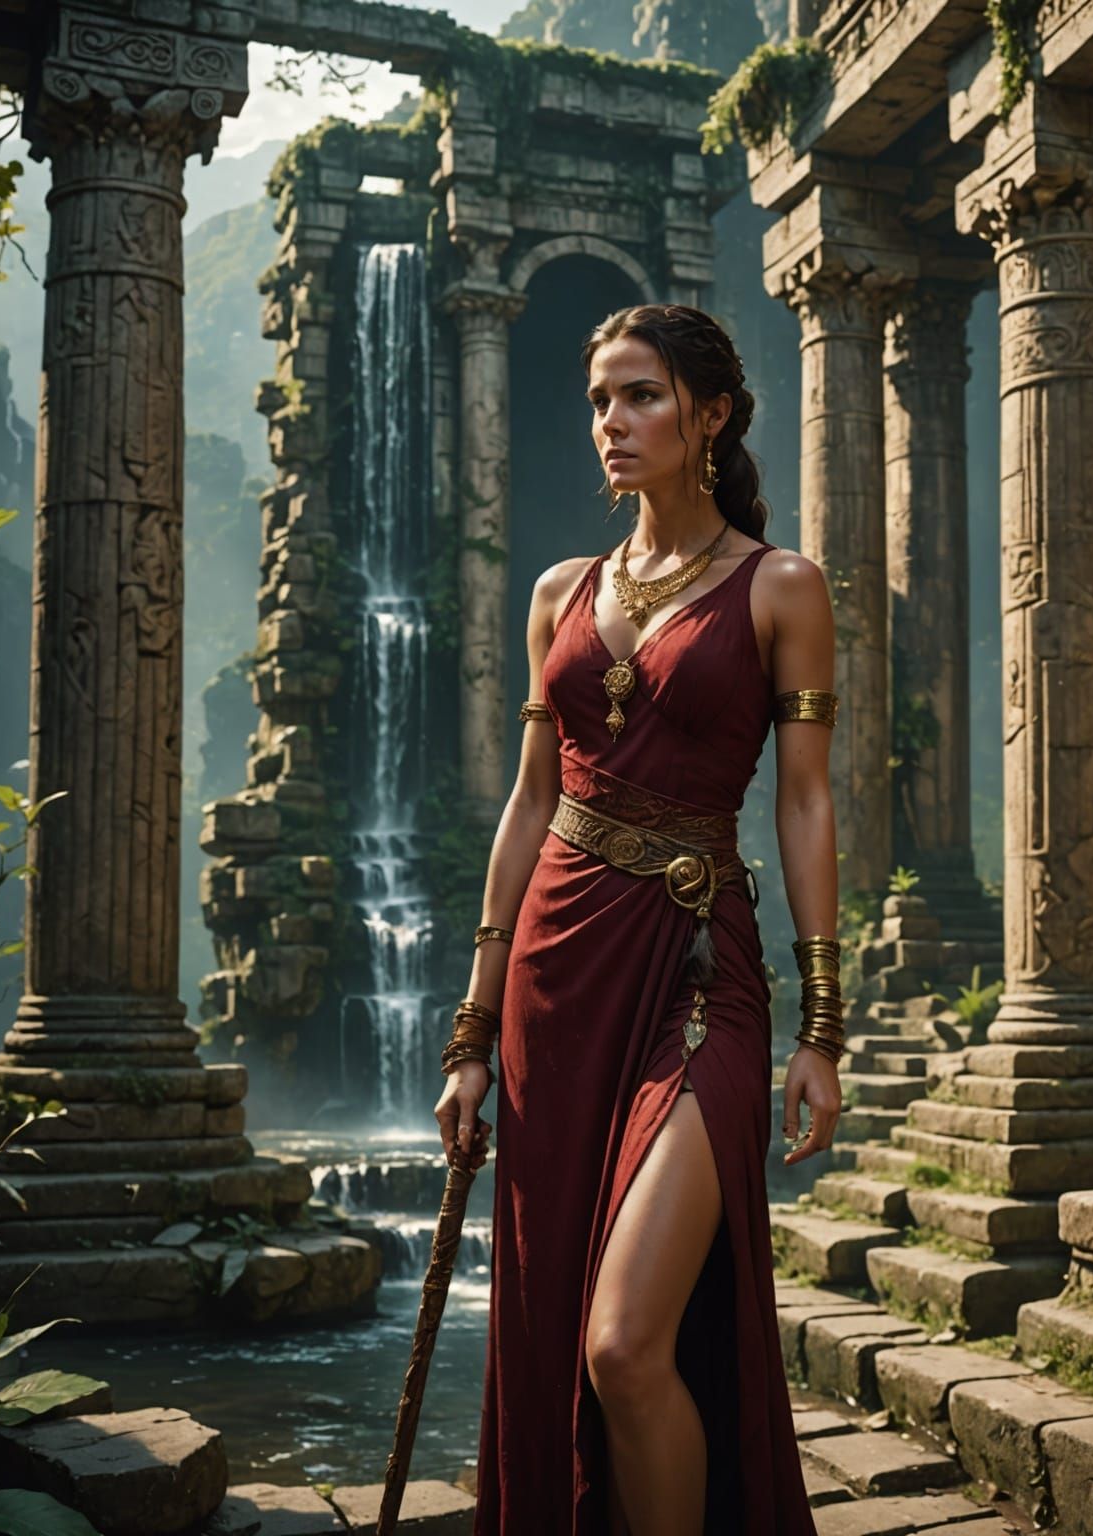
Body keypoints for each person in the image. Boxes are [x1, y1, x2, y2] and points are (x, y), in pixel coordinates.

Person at [435, 302, 844, 1536]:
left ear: (711, 414)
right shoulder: (559, 590)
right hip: (553, 984)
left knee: (622, 1343)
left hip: (695, 970)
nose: (615, 421)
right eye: (603, 398)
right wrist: (470, 1031)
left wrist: (824, 1026)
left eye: (645, 395)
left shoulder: (782, 588)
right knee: (556, 1316)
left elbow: (809, 803)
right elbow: (529, 802)